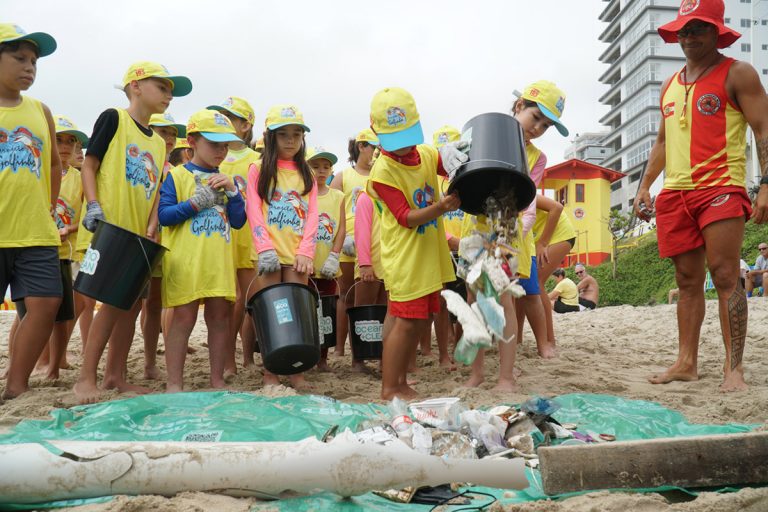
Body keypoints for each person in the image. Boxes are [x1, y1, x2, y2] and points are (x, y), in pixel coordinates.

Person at [633, 0, 768, 392]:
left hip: (720, 187)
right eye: (684, 31)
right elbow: (661, 141)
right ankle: (686, 363)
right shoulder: (670, 84)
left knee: (726, 276)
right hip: (675, 193)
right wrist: (644, 185)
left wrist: (766, 185)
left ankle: (733, 369)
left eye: (698, 29)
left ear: (716, 31)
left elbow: (763, 130)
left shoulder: (737, 73)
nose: (689, 37)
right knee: (687, 279)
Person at [73, 61, 192, 403]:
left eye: (171, 90)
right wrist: (93, 204)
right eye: (162, 87)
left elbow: (155, 190)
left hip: (139, 234)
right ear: (136, 86)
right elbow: (90, 164)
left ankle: (115, 376)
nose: (168, 95)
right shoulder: (114, 117)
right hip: (110, 227)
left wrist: (153, 225)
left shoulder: (159, 143)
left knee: (132, 306)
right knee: (109, 304)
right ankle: (85, 378)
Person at [366, 87, 461, 399]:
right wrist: (441, 207)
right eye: (396, 140)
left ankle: (397, 380)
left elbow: (449, 167)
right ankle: (391, 386)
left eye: (409, 136)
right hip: (405, 258)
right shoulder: (383, 170)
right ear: (375, 131)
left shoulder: (426, 154)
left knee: (410, 319)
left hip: (426, 256)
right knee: (406, 321)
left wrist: (456, 156)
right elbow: (405, 216)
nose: (405, 147)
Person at [158, 109, 245, 392]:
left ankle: (217, 379)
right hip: (185, 260)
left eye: (225, 145)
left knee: (220, 319)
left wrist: (233, 193)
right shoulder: (178, 176)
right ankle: (174, 382)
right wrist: (195, 204)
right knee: (183, 319)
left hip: (217, 262)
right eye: (214, 143)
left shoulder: (227, 179)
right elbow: (164, 216)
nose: (221, 151)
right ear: (193, 141)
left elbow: (239, 221)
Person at [0, 24, 63, 400]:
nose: (29, 67)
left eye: (34, 62)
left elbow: (54, 164)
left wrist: (49, 206)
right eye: (19, 58)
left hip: (36, 229)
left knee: (45, 304)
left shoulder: (40, 111)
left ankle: (16, 383)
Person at [246, 104, 318, 389]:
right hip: (269, 253)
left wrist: (306, 251)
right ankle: (270, 373)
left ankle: (296, 373)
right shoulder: (258, 169)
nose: (290, 140)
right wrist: (264, 248)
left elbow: (312, 214)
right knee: (271, 312)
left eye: (297, 134)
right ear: (270, 137)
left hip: (297, 253)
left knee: (298, 311)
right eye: (283, 134)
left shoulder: (307, 173)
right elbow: (254, 209)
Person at [208, 97, 261, 372]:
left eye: (229, 116)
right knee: (226, 297)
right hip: (217, 233)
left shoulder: (257, 160)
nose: (223, 121)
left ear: (245, 124)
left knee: (246, 297)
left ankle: (242, 357)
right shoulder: (213, 154)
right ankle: (224, 358)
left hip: (247, 236)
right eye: (220, 115)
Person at [140, 112, 186, 381]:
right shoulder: (145, 161)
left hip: (163, 240)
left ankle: (149, 363)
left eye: (171, 133)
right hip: (139, 235)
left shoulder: (174, 170)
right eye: (163, 131)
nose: (168, 138)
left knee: (156, 303)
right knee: (132, 304)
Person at [329, 129, 379, 363]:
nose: (377, 153)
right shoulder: (344, 175)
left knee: (371, 297)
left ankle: (368, 345)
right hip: (348, 241)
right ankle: (340, 348)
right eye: (374, 147)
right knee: (345, 295)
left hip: (373, 241)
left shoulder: (381, 175)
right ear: (361, 146)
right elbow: (331, 207)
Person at [306, 147, 345, 372]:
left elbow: (340, 229)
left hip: (327, 266)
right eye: (316, 166)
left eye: (326, 167)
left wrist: (334, 255)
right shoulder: (302, 194)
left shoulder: (337, 196)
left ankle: (323, 358)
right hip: (307, 265)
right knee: (307, 310)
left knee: (326, 312)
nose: (321, 171)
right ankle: (308, 355)